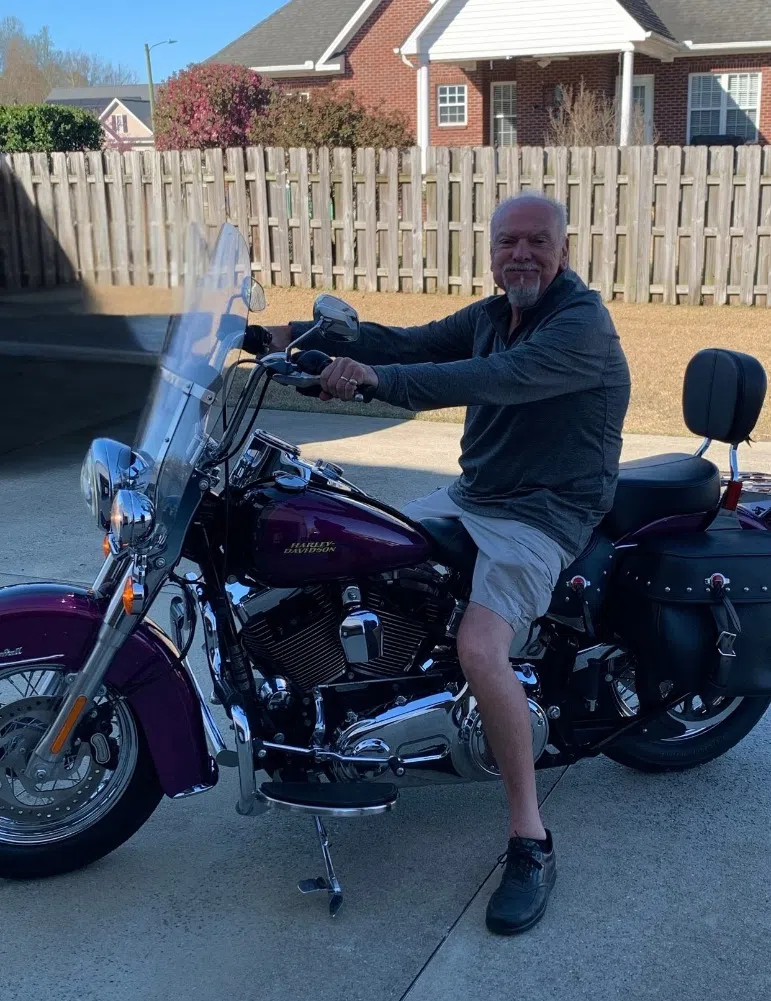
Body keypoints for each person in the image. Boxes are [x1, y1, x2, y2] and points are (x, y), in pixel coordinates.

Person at [258, 193, 631, 935]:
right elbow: (412, 341)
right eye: (507, 242)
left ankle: (529, 836)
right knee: (361, 552)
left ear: (564, 250)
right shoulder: (494, 313)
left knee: (480, 647)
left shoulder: (580, 325)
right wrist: (290, 337)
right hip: (475, 493)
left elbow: (485, 379)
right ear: (490, 252)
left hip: (542, 512)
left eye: (536, 241)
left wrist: (375, 382)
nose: (520, 254)